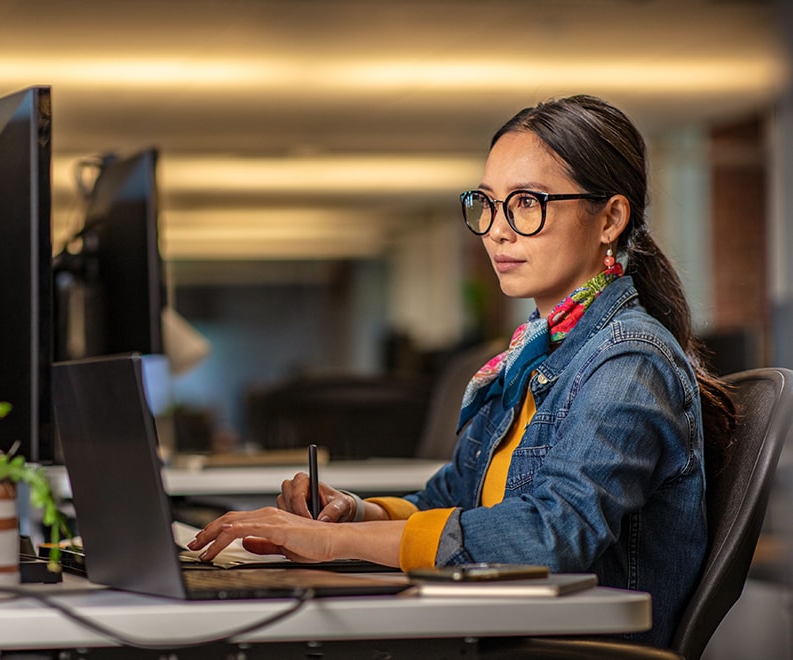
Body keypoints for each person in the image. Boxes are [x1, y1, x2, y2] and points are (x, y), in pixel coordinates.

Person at [186, 94, 736, 648]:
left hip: (566, 649)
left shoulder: (628, 361)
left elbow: (548, 536)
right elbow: (453, 500)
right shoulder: (532, 353)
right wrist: (353, 513)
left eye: (527, 203)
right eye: (487, 204)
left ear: (610, 218)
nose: (497, 231)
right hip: (500, 632)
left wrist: (331, 544)